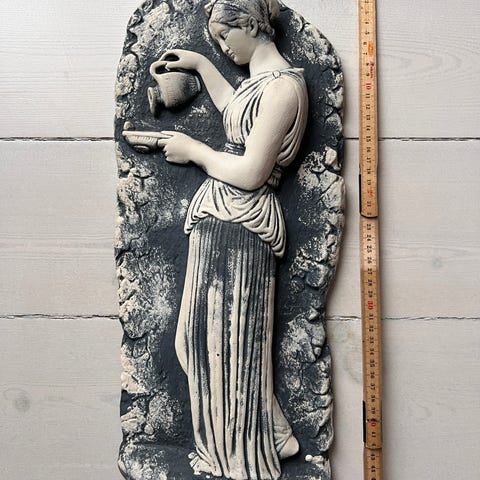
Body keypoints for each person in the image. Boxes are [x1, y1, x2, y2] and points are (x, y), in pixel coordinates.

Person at [125, 1, 308, 478]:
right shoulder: (261, 84)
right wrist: (202, 64)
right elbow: (236, 111)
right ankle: (276, 433)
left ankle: (240, 456)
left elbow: (250, 172)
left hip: (244, 223)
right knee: (194, 340)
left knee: (228, 345)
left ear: (251, 23)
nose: (223, 46)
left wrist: (194, 151)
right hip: (220, 215)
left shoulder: (286, 89)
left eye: (225, 36)